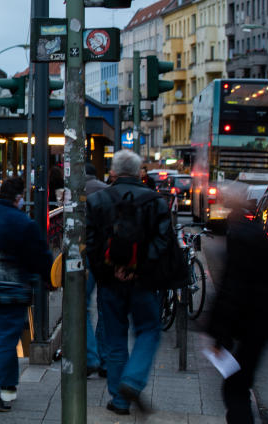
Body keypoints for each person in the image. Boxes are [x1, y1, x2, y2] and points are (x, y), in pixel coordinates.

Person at [86, 150, 171, 416]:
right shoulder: (156, 201)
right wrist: (139, 269)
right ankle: (132, 381)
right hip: (143, 282)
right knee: (149, 330)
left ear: (113, 172)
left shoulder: (98, 199)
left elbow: (90, 243)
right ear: (139, 172)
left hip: (110, 283)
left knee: (115, 338)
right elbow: (163, 241)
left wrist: (108, 272)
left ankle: (119, 400)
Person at [0, 177, 52, 411]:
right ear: (18, 198)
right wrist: (49, 278)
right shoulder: (23, 222)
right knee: (6, 337)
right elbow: (40, 255)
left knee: (2, 337)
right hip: (11, 288)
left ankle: (9, 384)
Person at [207, 206, 268, 423]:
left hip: (251, 325)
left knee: (234, 388)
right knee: (240, 384)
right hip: (263, 325)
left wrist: (219, 336)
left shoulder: (239, 242)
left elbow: (231, 291)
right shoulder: (261, 238)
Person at [84, 162, 109, 377]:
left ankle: (90, 357)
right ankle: (105, 359)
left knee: (82, 308)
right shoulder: (107, 190)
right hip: (108, 256)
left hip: (86, 256)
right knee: (105, 307)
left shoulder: (74, 191)